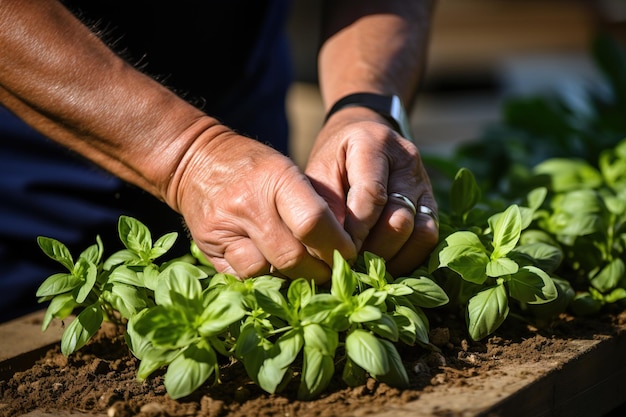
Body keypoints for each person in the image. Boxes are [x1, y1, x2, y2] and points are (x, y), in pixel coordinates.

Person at [0, 0, 438, 322]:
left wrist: (363, 104)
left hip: (241, 84)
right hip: (36, 161)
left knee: (278, 255)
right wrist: (189, 154)